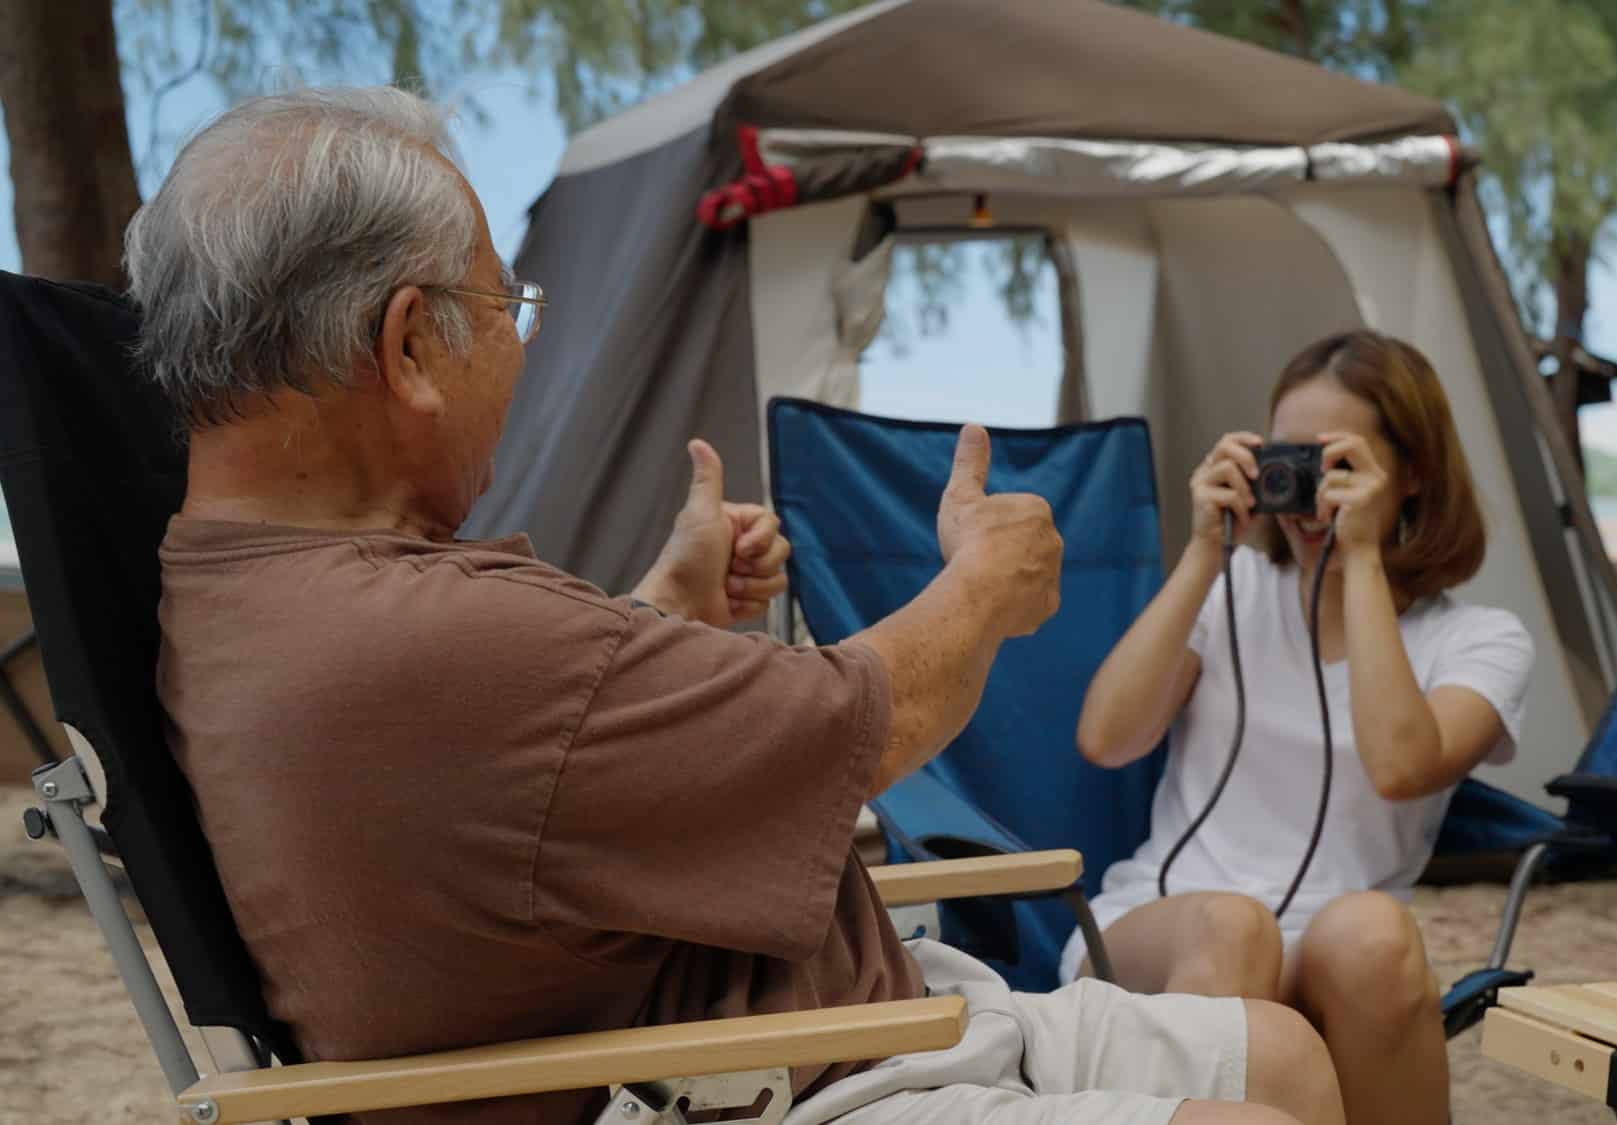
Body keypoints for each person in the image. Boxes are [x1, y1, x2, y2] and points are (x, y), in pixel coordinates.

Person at [133, 88, 1343, 1125]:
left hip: (826, 1024)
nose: (522, 347)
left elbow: (517, 763)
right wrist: (982, 587)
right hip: (762, 1084)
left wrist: (657, 610)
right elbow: (859, 722)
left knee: (1288, 1054)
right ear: (406, 348)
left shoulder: (255, 589)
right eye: (509, 310)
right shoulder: (412, 635)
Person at [1073, 331, 1536, 1125]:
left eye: (1337, 464)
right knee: (1234, 924)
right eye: (1290, 460)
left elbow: (1400, 763)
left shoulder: (1482, 641)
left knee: (1376, 934)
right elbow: (1107, 739)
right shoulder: (1232, 591)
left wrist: (1358, 561)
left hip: (1331, 949)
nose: (1309, 490)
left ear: (1412, 471)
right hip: (1169, 930)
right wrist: (1201, 556)